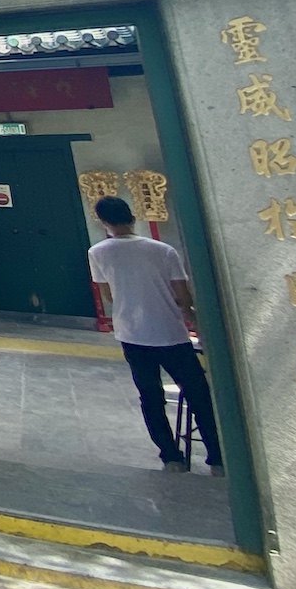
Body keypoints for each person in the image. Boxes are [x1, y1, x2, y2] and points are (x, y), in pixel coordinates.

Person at [87, 195, 222, 474]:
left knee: (150, 395)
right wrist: (192, 318)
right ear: (132, 217)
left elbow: (109, 295)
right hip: (171, 333)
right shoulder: (163, 250)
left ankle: (171, 456)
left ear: (102, 221)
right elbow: (182, 296)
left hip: (132, 334)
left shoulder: (98, 252)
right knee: (198, 394)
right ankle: (217, 458)